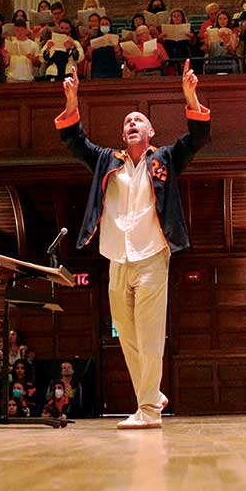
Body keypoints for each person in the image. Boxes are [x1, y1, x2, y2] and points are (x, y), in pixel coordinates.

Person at [55, 60, 210, 428]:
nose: (130, 124)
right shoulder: (108, 161)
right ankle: (151, 394)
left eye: (137, 120)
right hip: (116, 257)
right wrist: (72, 102)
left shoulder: (166, 158)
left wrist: (191, 96)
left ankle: (149, 411)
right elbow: (75, 142)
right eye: (126, 122)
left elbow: (198, 139)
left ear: (151, 131)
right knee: (127, 334)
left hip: (153, 256)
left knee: (150, 334)